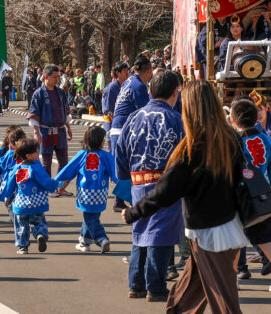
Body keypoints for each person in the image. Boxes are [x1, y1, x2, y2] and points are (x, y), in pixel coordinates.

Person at [123, 79, 245, 313]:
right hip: (229, 224)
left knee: (223, 299)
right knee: (191, 288)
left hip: (204, 229)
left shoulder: (192, 147)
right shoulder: (230, 138)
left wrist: (133, 213)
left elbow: (165, 192)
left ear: (190, 108)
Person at [114, 69, 185, 302]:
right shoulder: (175, 120)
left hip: (138, 182)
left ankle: (136, 284)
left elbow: (120, 152)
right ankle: (155, 286)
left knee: (141, 230)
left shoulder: (133, 118)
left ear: (151, 91)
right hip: (165, 183)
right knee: (161, 234)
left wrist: (125, 176)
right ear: (175, 93)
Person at [228, 98, 271, 280]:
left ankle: (232, 279)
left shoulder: (234, 140)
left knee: (234, 239)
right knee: (264, 239)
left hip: (239, 196)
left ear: (233, 120)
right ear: (256, 118)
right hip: (261, 192)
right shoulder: (264, 138)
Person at [55, 125, 117, 253]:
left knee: (90, 217)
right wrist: (128, 186)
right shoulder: (106, 156)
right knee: (91, 215)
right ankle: (84, 242)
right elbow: (116, 175)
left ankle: (101, 238)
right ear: (100, 141)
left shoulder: (82, 154)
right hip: (100, 193)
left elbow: (68, 171)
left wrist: (58, 185)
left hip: (85, 193)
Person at [0, 137, 60, 254]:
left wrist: (7, 196)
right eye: (36, 151)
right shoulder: (36, 167)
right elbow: (46, 181)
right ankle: (40, 234)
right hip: (37, 202)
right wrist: (55, 185)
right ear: (28, 155)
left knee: (21, 225)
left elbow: (10, 185)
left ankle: (23, 246)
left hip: (20, 204)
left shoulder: (17, 168)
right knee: (38, 221)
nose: (38, 153)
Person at [27, 64, 73, 178]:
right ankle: (47, 185)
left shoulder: (61, 93)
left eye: (58, 77)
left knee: (64, 161)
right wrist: (36, 132)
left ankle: (58, 184)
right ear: (46, 77)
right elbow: (34, 114)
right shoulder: (39, 93)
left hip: (60, 131)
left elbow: (66, 112)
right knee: (46, 162)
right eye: (55, 77)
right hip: (45, 131)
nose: (57, 79)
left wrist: (68, 128)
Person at [102, 62, 129, 136]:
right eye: (124, 70)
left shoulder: (127, 85)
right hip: (112, 123)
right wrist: (116, 120)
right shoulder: (112, 88)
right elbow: (108, 109)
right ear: (118, 73)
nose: (127, 72)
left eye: (127, 70)